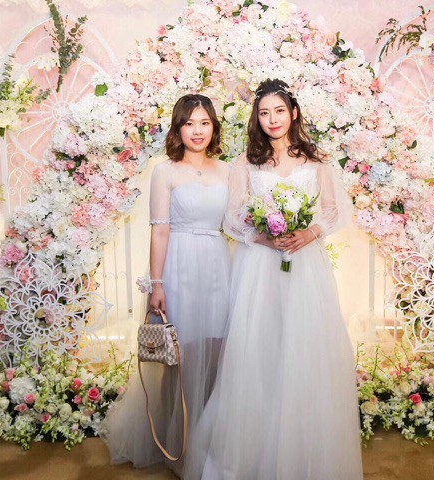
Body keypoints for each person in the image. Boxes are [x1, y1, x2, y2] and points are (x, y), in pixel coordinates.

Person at [186, 79, 363, 480]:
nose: (272, 119)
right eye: (264, 113)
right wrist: (263, 236)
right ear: (257, 118)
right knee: (259, 351)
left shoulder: (316, 161)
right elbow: (232, 219)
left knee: (303, 350)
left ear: (293, 113)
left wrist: (309, 233)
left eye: (279, 111)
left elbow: (334, 211)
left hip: (305, 266)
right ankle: (251, 454)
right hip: (260, 268)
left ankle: (300, 453)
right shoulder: (246, 164)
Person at [105, 94, 231, 479]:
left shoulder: (228, 171)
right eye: (189, 123)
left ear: (214, 127)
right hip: (179, 265)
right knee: (179, 357)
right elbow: (160, 231)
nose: (197, 130)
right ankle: (173, 443)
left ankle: (207, 442)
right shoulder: (166, 171)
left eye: (204, 122)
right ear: (178, 129)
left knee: (216, 353)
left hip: (218, 264)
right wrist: (157, 283)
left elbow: (237, 224)